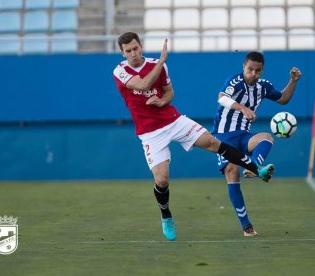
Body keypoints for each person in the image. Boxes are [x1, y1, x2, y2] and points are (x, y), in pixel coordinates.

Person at [112, 32, 274, 241]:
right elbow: (142, 85)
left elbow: (169, 92)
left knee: (214, 142)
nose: (133, 54)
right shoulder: (120, 70)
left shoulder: (157, 65)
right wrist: (161, 61)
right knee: (162, 180)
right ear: (122, 53)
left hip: (173, 120)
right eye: (128, 51)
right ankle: (166, 216)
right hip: (150, 132)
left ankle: (257, 169)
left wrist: (163, 101)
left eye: (135, 48)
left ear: (141, 46)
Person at [211, 51, 302, 236]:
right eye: (250, 69)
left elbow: (283, 99)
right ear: (244, 66)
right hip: (223, 136)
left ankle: (254, 166)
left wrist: (293, 81)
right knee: (232, 172)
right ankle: (246, 226)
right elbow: (221, 97)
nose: (253, 74)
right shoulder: (235, 81)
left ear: (262, 70)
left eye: (257, 71)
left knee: (267, 138)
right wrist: (242, 107)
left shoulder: (263, 86)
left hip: (243, 135)